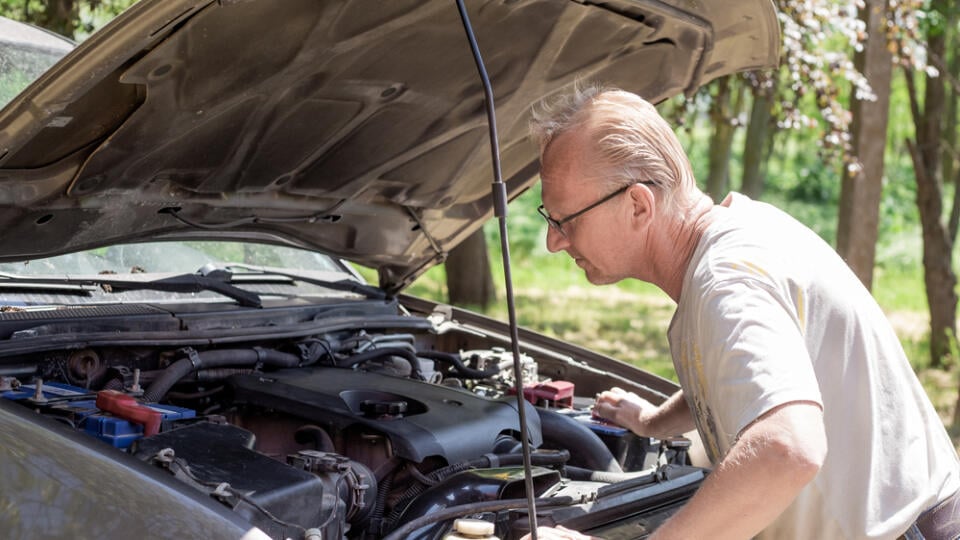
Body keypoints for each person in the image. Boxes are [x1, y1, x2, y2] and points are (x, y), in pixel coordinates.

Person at [522, 85, 960, 540]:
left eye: (564, 220)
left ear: (637, 205)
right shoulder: (737, 235)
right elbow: (750, 372)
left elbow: (787, 447)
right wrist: (656, 422)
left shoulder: (727, 280)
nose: (555, 241)